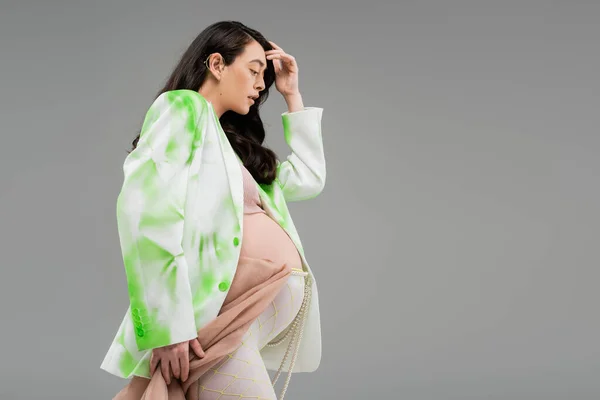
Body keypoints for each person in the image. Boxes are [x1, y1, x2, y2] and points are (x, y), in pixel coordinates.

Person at [100, 20, 326, 399]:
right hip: (215, 321)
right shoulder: (181, 108)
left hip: (241, 319)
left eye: (264, 78)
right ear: (217, 64)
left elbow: (307, 179)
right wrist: (168, 328)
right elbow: (146, 217)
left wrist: (292, 95)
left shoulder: (231, 147)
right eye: (254, 71)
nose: (260, 85)